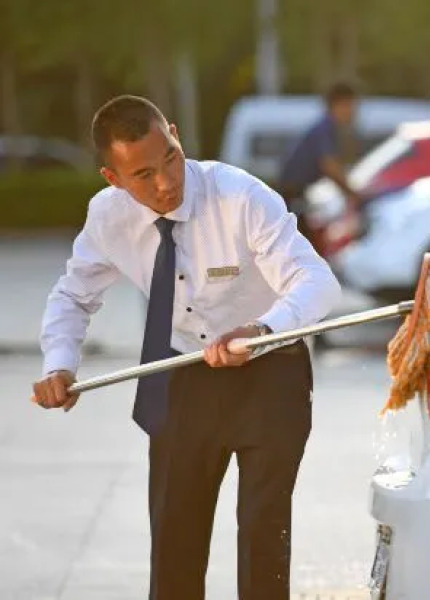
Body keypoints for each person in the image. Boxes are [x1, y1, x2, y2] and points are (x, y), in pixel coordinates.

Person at [30, 95, 341, 600]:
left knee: (264, 537)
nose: (166, 182)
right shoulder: (108, 217)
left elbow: (318, 281)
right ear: (113, 178)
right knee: (175, 542)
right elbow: (73, 294)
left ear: (175, 132)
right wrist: (59, 363)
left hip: (270, 368)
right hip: (182, 372)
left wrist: (261, 331)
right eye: (144, 174)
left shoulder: (239, 195)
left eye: (171, 157)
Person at [276, 81, 363, 241]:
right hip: (292, 195)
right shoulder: (325, 129)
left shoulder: (327, 128)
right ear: (337, 105)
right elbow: (329, 165)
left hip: (298, 195)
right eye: (350, 106)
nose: (353, 112)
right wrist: (352, 193)